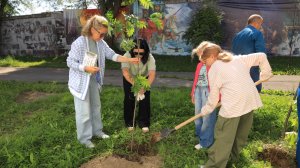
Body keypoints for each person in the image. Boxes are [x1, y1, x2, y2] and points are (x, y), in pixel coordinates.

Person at [66, 15, 139, 148]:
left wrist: (128, 59)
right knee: (84, 111)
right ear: (92, 29)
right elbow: (70, 62)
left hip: (94, 79)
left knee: (96, 106)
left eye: (104, 35)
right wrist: (85, 68)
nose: (103, 37)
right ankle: (84, 139)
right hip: (81, 81)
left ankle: (97, 131)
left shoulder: (100, 43)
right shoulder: (79, 43)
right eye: (101, 34)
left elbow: (112, 55)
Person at [196, 42, 272, 168]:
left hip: (233, 106)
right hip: (249, 101)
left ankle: (215, 165)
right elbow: (262, 56)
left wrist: (206, 109)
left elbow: (214, 97)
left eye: (205, 61)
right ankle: (232, 157)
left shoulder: (215, 68)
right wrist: (266, 72)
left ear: (212, 57)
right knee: (240, 134)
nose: (205, 64)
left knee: (223, 138)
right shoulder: (237, 59)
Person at [121, 38, 156, 133]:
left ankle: (144, 123)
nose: (138, 56)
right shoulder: (127, 56)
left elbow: (152, 74)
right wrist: (135, 85)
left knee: (144, 100)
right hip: (130, 78)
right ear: (132, 51)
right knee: (129, 99)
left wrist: (144, 87)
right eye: (136, 53)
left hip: (144, 79)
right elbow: (125, 72)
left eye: (141, 53)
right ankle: (130, 123)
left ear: (145, 52)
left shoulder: (150, 58)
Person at [190, 41, 217, 150]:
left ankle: (206, 142)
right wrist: (193, 93)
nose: (200, 59)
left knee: (207, 117)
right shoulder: (199, 65)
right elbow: (196, 80)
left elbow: (217, 82)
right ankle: (200, 135)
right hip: (198, 90)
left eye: (202, 56)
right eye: (199, 57)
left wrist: (217, 96)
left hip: (208, 91)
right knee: (198, 114)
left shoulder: (214, 64)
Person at [232, 14, 266, 92]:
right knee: (255, 90)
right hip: (252, 66)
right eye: (260, 24)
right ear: (256, 23)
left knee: (240, 89)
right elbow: (261, 52)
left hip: (238, 65)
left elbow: (233, 50)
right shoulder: (257, 33)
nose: (260, 26)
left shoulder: (238, 35)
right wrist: (264, 66)